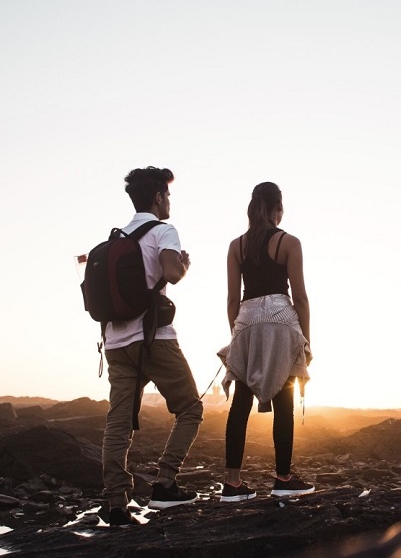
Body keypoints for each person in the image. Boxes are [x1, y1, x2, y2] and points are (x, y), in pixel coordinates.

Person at [99, 167, 203, 526]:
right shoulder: (163, 230)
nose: (169, 201)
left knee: (118, 422)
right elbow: (172, 273)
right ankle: (165, 483)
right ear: (158, 197)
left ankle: (116, 502)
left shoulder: (116, 237)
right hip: (154, 339)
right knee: (190, 408)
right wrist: (183, 266)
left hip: (115, 343)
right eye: (167, 195)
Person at [217, 182, 314, 502]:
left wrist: (238, 334)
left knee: (240, 403)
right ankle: (283, 478)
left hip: (246, 320)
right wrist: (306, 341)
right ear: (278, 209)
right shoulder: (289, 242)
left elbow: (232, 300)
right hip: (281, 320)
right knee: (284, 401)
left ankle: (232, 483)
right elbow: (300, 297)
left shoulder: (236, 246)